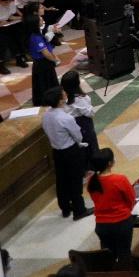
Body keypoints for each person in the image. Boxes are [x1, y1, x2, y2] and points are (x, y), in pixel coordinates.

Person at [42, 87, 90, 221]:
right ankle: (79, 210)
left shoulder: (46, 115)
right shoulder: (66, 118)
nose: (66, 95)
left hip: (56, 152)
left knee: (61, 180)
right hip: (70, 151)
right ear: (60, 100)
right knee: (75, 180)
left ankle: (65, 208)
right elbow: (77, 135)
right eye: (63, 95)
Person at [87, 148, 133, 263]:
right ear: (110, 163)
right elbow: (131, 199)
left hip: (102, 225)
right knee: (124, 254)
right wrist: (126, 210)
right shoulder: (120, 179)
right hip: (121, 223)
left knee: (108, 256)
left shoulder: (91, 181)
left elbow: (96, 199)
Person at [60, 70, 98, 160]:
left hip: (74, 125)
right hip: (83, 125)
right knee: (89, 145)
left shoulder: (65, 97)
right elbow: (90, 113)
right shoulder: (79, 100)